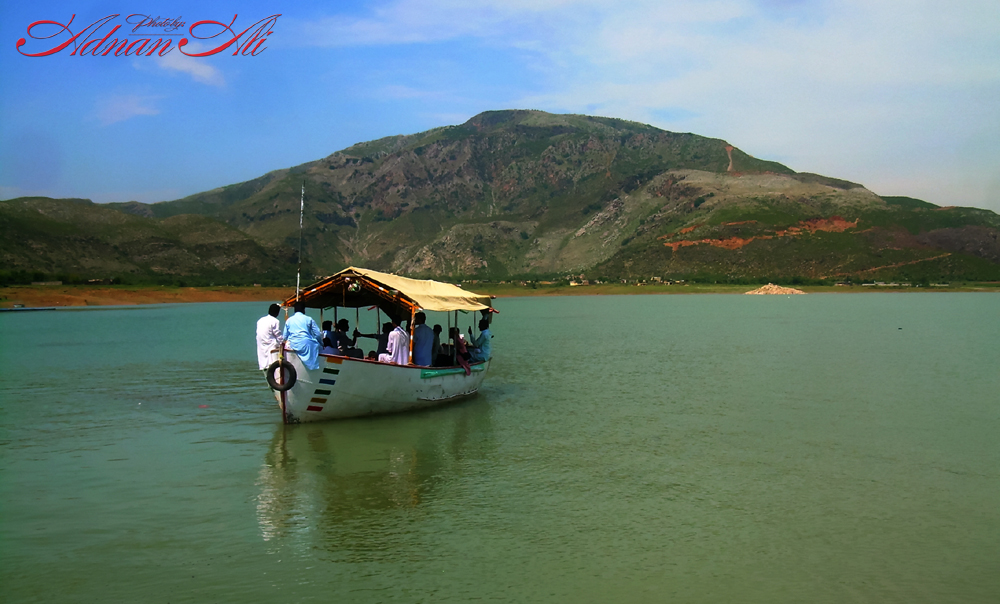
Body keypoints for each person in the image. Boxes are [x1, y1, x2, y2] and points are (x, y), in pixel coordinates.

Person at [282, 301, 323, 370]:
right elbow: (317, 334)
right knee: (317, 346)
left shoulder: (289, 320)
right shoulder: (309, 319)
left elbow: (284, 337)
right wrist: (321, 343)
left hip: (293, 345)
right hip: (307, 344)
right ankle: (313, 367)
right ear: (303, 310)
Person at [256, 303, 283, 371]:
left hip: (261, 344)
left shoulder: (260, 320)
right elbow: (278, 335)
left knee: (265, 362)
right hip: (270, 344)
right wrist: (283, 343)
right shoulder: (275, 321)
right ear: (277, 313)